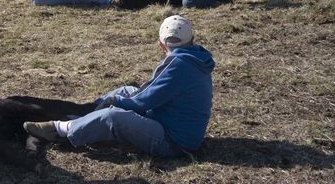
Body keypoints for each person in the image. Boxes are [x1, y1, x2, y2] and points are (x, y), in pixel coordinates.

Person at [23, 14, 214, 158]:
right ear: (192, 39)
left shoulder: (177, 64)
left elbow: (144, 101)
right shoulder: (195, 57)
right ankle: (86, 115)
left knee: (115, 116)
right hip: (173, 124)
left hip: (173, 142)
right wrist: (118, 100)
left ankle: (60, 130)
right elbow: (153, 93)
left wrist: (114, 102)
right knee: (125, 91)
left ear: (161, 45)